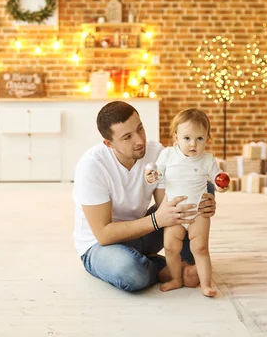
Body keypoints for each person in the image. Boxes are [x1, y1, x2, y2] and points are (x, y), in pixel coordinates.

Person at [73, 101, 217, 292]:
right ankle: (167, 268)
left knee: (201, 185)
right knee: (131, 273)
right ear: (109, 143)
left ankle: (184, 262)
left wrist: (201, 203)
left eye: (140, 128)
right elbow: (104, 234)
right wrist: (157, 220)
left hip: (142, 231)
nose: (139, 140)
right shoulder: (92, 166)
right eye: (127, 137)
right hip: (100, 246)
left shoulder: (156, 152)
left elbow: (167, 205)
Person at [145, 108, 228, 296]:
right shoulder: (168, 154)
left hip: (198, 212)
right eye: (187, 138)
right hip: (175, 212)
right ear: (176, 137)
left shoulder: (207, 159)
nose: (193, 144)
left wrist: (221, 184)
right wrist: (151, 176)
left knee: (200, 247)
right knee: (170, 247)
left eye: (200, 139)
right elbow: (157, 173)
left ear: (207, 139)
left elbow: (217, 177)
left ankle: (206, 284)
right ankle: (175, 278)